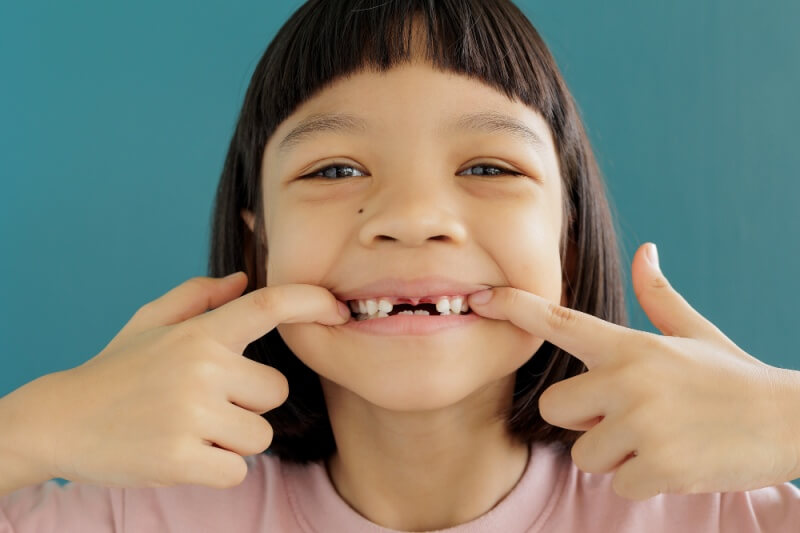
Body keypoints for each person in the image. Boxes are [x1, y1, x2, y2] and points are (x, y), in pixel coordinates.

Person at [2, 0, 799, 531]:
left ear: (565, 236)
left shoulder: (713, 512)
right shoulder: (147, 514)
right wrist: (45, 422)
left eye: (488, 167)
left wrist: (785, 420)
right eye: (334, 169)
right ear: (257, 243)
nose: (413, 217)